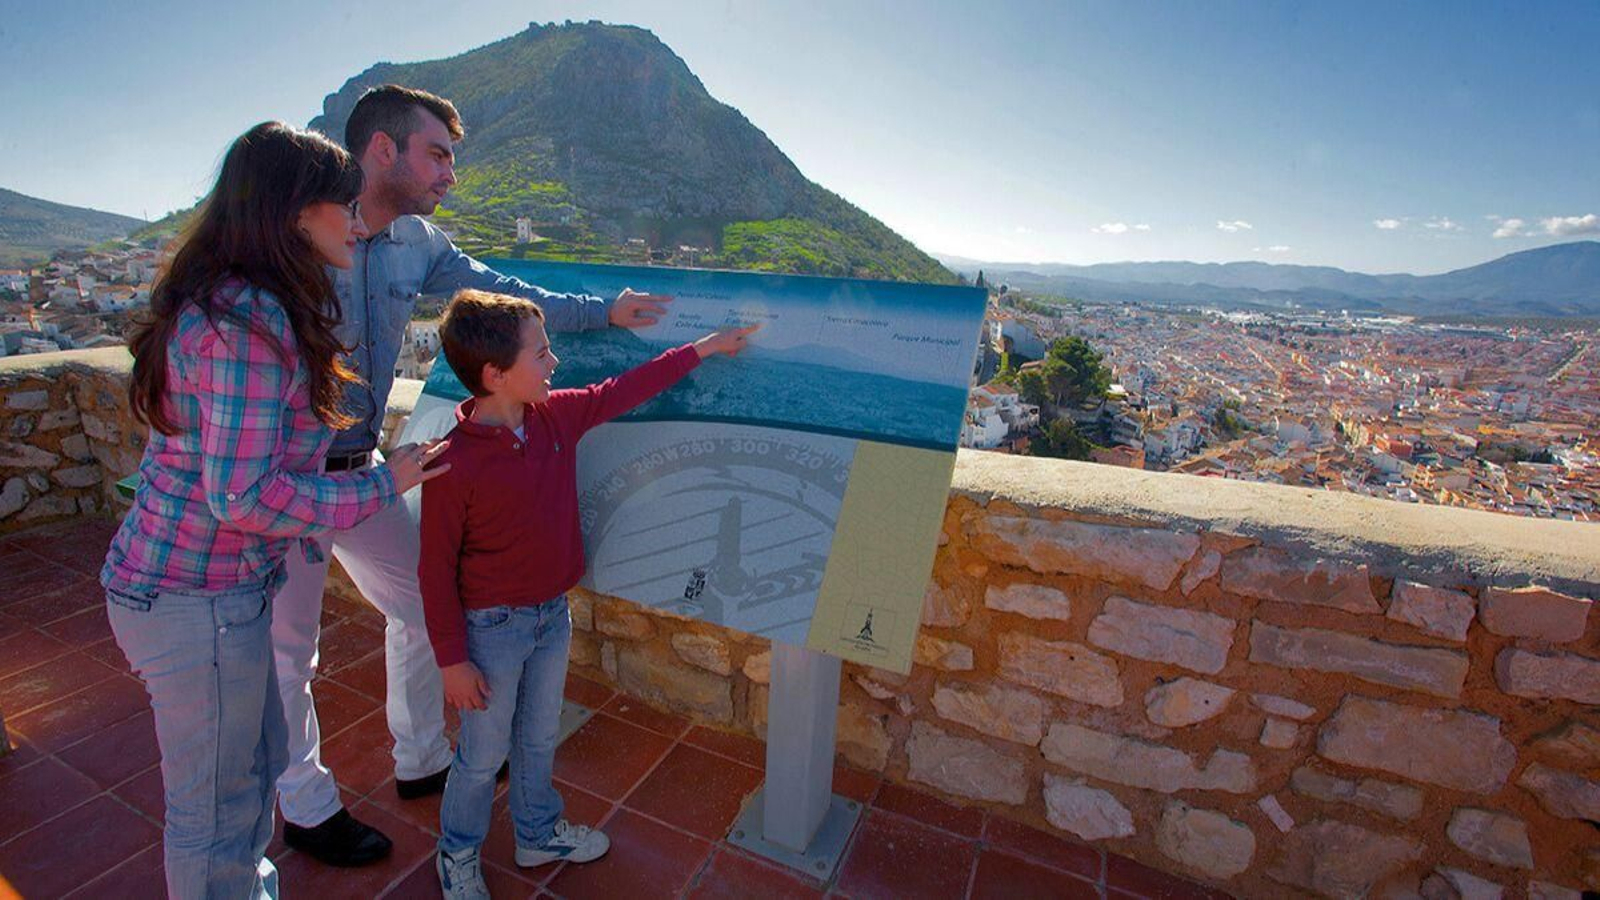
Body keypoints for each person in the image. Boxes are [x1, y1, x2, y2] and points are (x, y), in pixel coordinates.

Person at [270, 84, 672, 866]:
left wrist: (605, 311)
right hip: (290, 482)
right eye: (438, 153)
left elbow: (505, 295)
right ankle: (307, 806)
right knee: (290, 654)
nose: (450, 172)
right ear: (382, 150)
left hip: (369, 472)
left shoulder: (418, 241)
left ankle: (420, 760)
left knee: (429, 607)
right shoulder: (299, 229)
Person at [101, 121, 450, 899]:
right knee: (218, 819)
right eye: (343, 206)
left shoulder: (233, 305)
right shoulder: (248, 327)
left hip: (203, 588)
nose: (356, 224)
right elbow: (245, 496)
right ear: (299, 214)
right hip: (195, 597)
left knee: (245, 790)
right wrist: (383, 483)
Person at [418, 290, 755, 898]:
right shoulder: (452, 463)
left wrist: (703, 348)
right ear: (496, 375)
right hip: (490, 631)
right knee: (480, 751)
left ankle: (537, 831)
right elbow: (434, 569)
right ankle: (458, 852)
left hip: (552, 617)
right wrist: (451, 660)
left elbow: (622, 389)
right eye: (541, 354)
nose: (554, 364)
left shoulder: (555, 417)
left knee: (539, 735)